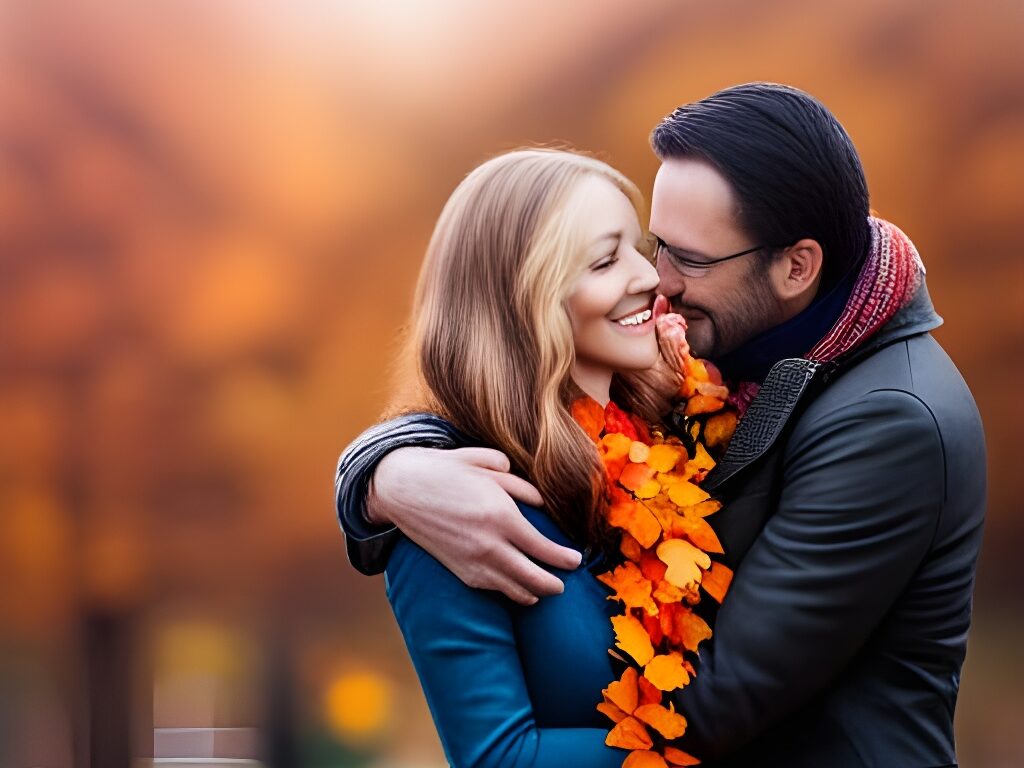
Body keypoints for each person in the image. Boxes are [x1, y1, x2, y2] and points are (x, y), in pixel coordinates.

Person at [337, 84, 987, 767]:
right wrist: (380, 475)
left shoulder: (885, 420)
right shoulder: (700, 373)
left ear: (798, 266)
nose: (659, 279)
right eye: (648, 247)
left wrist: (380, 480)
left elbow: (713, 705)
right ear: (525, 303)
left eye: (690, 259)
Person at [369, 147, 686, 767]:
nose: (649, 277)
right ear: (527, 302)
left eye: (639, 248)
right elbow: (499, 758)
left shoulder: (679, 425)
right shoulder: (455, 503)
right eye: (604, 260)